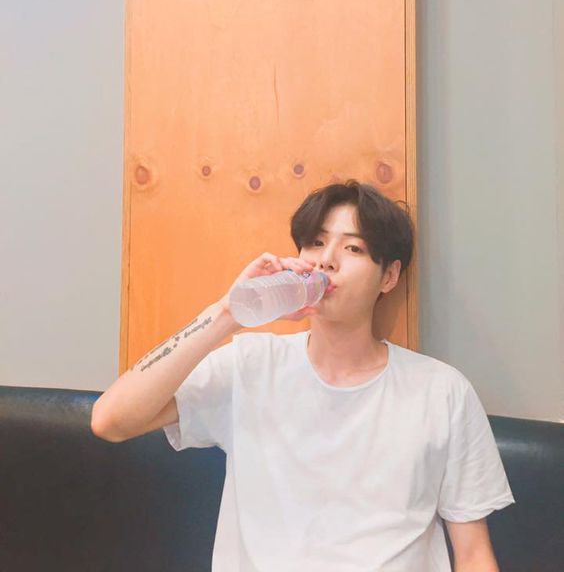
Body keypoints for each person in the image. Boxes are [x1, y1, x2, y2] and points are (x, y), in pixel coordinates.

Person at [91, 179, 515, 571]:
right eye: (316, 242)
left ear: (389, 276)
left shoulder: (442, 391)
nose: (326, 260)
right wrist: (227, 312)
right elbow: (111, 420)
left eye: (353, 248)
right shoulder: (251, 365)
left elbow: (473, 553)